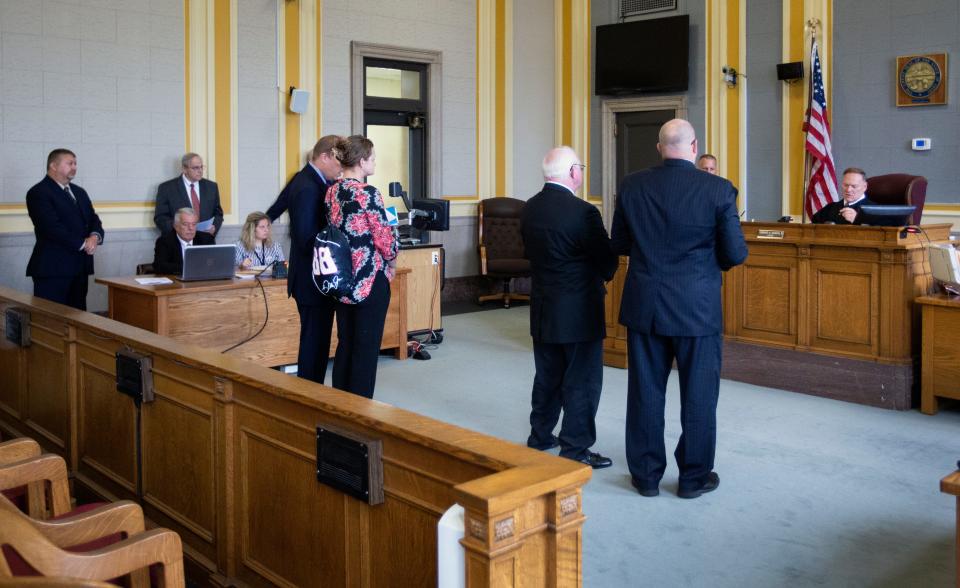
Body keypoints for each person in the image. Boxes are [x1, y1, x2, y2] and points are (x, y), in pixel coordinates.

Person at [611, 119, 747, 499]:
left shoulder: (632, 185)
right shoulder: (719, 190)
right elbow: (735, 253)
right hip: (697, 308)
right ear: (693, 146)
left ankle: (646, 477)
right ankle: (692, 479)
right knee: (700, 396)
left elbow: (619, 243)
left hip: (646, 305)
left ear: (659, 147)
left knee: (645, 393)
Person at [520, 147, 619, 469]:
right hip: (579, 310)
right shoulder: (583, 212)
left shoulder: (529, 208)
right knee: (582, 381)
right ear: (574, 172)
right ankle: (575, 448)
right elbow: (606, 262)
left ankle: (540, 436)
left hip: (543, 306)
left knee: (547, 375)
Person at [325, 135, 399, 399]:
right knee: (366, 349)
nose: (376, 161)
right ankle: (360, 408)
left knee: (346, 343)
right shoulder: (367, 193)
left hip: (343, 278)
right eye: (373, 157)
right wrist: (392, 262)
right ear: (361, 161)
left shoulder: (333, 191)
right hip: (369, 278)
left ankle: (341, 402)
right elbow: (385, 239)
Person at [287, 135, 345, 384]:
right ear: (325, 156)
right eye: (338, 162)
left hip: (315, 279)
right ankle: (308, 397)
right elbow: (305, 237)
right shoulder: (308, 186)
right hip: (311, 282)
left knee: (319, 344)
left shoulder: (315, 182)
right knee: (313, 346)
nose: (340, 169)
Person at [26, 148, 104, 311]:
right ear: (53, 166)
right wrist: (84, 244)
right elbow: (51, 228)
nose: (74, 167)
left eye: (75, 163)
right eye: (70, 163)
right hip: (53, 268)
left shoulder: (79, 192)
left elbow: (93, 219)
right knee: (52, 320)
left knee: (78, 318)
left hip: (80, 267)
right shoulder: (39, 192)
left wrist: (94, 237)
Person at [154, 153, 224, 237]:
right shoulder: (167, 188)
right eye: (195, 168)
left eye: (202, 167)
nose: (200, 171)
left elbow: (218, 213)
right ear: (184, 169)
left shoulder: (211, 187)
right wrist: (179, 230)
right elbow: (160, 218)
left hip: (205, 239)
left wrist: (214, 227)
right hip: (177, 242)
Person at [152, 207, 215, 275]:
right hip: (177, 282)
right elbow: (159, 266)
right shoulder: (164, 241)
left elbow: (214, 262)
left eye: (194, 224)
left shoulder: (207, 239)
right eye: (185, 224)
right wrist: (188, 268)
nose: (190, 228)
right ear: (176, 226)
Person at [811, 167, 877, 225]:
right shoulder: (830, 208)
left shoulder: (875, 210)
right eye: (846, 185)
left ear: (864, 187)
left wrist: (858, 220)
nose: (848, 190)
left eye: (854, 186)